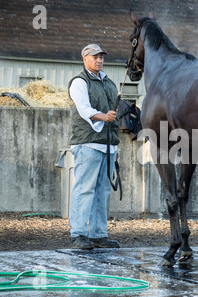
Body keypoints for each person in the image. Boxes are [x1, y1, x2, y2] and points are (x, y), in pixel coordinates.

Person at [67, 44, 120, 249]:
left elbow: (115, 117)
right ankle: (78, 234)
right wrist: (104, 116)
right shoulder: (79, 82)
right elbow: (84, 109)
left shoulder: (109, 83)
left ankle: (99, 234)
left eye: (101, 57)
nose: (99, 60)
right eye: (94, 57)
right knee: (84, 188)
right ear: (85, 59)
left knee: (103, 191)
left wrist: (116, 148)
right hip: (87, 142)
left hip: (108, 145)